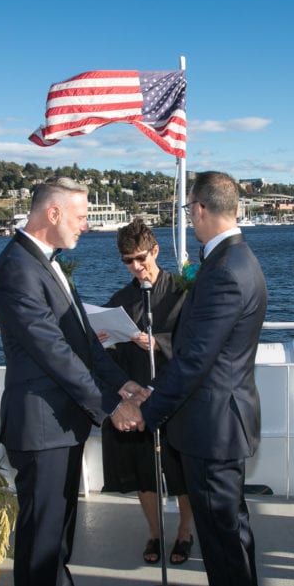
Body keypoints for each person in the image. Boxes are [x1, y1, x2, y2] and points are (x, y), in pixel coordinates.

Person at [113, 171, 268, 586]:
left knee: (224, 541)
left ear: (199, 209)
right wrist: (154, 393)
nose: (190, 217)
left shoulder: (225, 270)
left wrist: (150, 409)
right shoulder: (232, 260)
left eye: (189, 209)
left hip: (212, 427)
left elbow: (196, 358)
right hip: (216, 421)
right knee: (229, 533)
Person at [0, 177, 145, 586]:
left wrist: (125, 385)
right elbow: (54, 353)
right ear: (53, 213)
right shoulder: (16, 270)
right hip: (41, 427)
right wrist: (111, 406)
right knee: (42, 544)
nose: (86, 225)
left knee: (58, 539)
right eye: (81, 216)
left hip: (62, 425)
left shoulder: (46, 261)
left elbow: (84, 342)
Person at [95, 218, 194, 565]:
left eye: (141, 258)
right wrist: (101, 341)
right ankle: (154, 532)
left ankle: (184, 531)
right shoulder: (122, 299)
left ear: (155, 251)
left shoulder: (182, 291)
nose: (136, 267)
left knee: (181, 471)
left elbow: (195, 344)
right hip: (136, 399)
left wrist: (158, 343)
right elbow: (110, 355)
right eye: (127, 261)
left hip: (174, 397)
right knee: (143, 472)